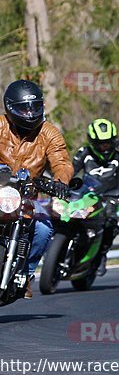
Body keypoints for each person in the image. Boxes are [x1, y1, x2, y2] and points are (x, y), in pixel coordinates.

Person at [0, 80, 72, 299]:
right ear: (10, 107)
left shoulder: (49, 133)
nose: (30, 113)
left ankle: (25, 274)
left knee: (42, 228)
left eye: (35, 107)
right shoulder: (1, 126)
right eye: (24, 108)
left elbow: (61, 161)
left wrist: (60, 182)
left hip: (26, 196)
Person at [72, 118, 119, 276]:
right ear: (92, 142)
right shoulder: (84, 154)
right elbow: (69, 172)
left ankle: (102, 254)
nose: (104, 147)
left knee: (111, 223)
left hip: (108, 199)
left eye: (108, 142)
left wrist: (113, 198)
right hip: (85, 197)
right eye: (100, 143)